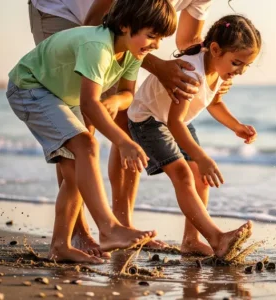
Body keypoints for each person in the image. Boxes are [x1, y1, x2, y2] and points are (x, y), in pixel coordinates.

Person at [28, 0, 234, 255]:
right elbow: (96, 25)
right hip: (65, 12)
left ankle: (122, 226)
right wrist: (157, 66)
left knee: (126, 118)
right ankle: (78, 232)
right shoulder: (110, 33)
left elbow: (189, 39)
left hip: (124, 32)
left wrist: (212, 70)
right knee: (81, 128)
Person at [6, 0, 179, 263]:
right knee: (86, 146)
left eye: (161, 38)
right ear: (124, 25)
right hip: (29, 87)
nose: (155, 45)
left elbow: (127, 95)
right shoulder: (97, 46)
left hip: (60, 96)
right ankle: (108, 228)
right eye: (152, 36)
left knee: (77, 170)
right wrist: (123, 142)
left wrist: (115, 101)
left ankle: (60, 245)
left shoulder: (133, 52)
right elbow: (89, 103)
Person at [127, 14, 262, 258]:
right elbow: (173, 123)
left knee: (201, 178)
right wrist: (201, 157)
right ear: (215, 49)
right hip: (148, 120)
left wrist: (236, 126)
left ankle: (191, 240)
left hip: (176, 120)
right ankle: (217, 238)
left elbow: (215, 103)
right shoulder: (192, 72)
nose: (240, 71)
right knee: (183, 174)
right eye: (236, 63)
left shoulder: (218, 71)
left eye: (245, 66)